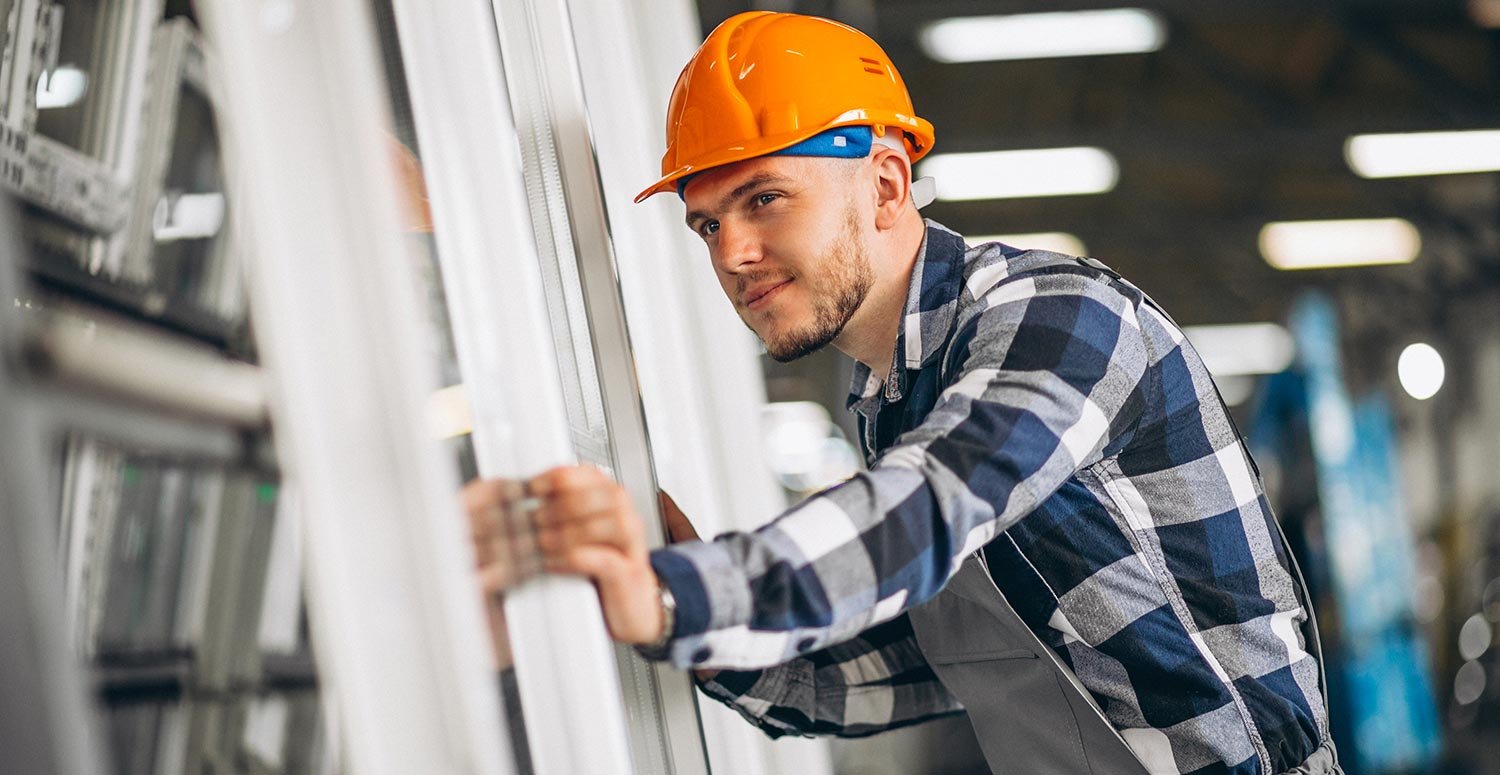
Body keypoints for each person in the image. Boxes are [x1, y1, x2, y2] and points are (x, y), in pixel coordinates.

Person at [464, 11, 1340, 775]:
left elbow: (931, 505)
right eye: (707, 222)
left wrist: (683, 592)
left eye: (764, 198)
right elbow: (909, 672)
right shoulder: (893, 402)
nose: (730, 253)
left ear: (885, 185)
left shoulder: (1057, 318)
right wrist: (669, 610)